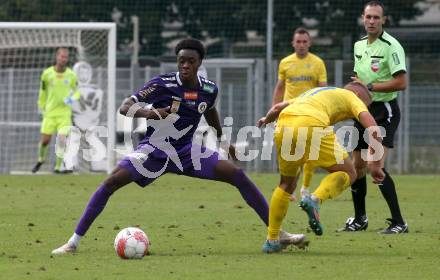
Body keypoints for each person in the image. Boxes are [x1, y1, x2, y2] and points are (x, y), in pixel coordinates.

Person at [51, 38, 307, 255]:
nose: (185, 65)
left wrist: (224, 142)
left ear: (199, 63)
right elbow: (125, 107)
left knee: (237, 175)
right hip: (154, 150)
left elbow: (210, 112)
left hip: (186, 152)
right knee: (110, 182)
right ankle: (73, 242)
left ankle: (278, 234)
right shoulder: (162, 84)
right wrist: (152, 114)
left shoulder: (209, 90)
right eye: (181, 60)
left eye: (190, 61)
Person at [257, 83, 385, 253]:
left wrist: (267, 119)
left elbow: (278, 107)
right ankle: (315, 199)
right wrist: (375, 164)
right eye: (366, 106)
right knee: (349, 172)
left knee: (286, 184)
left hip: (284, 123)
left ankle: (272, 239)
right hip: (312, 123)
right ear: (358, 94)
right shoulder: (353, 97)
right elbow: (374, 129)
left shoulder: (315, 93)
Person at [339, 1, 408, 234]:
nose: (371, 21)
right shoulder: (359, 45)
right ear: (363, 18)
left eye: (376, 18)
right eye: (368, 17)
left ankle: (399, 222)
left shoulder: (392, 46)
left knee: (374, 166)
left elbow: (402, 82)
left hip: (384, 111)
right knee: (356, 167)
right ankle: (360, 219)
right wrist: (355, 92)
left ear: (383, 20)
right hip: (363, 110)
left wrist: (369, 86)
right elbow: (358, 77)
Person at [271, 27, 328, 201]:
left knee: (310, 153)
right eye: (298, 41)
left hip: (310, 113)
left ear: (309, 43)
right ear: (293, 43)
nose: (301, 45)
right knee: (290, 153)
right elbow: (280, 87)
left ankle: (305, 188)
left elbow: (323, 89)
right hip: (289, 114)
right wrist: (274, 111)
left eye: (304, 41)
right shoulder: (285, 62)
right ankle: (290, 188)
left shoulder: (317, 63)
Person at [32, 47, 80, 174]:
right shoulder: (47, 74)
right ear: (57, 57)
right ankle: (40, 159)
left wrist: (71, 99)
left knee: (62, 140)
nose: (64, 59)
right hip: (49, 113)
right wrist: (40, 108)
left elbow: (77, 92)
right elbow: (42, 92)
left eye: (66, 57)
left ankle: (58, 167)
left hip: (64, 113)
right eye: (62, 56)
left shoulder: (71, 75)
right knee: (45, 141)